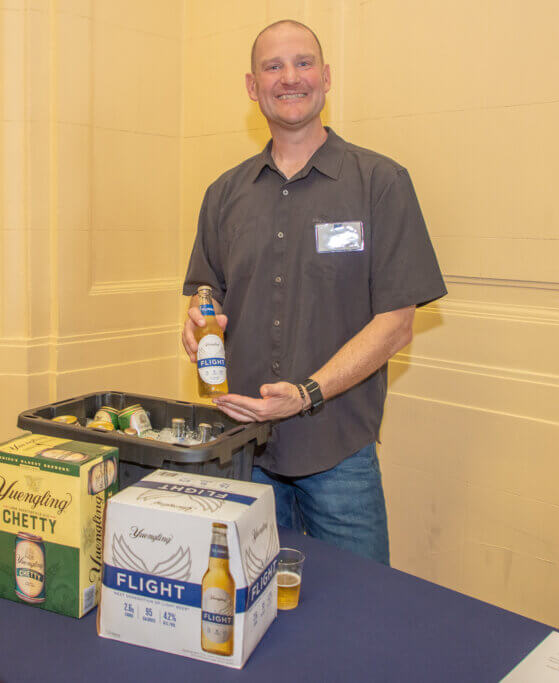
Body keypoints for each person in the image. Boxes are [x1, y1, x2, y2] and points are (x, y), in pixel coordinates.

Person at [182, 19, 446, 564]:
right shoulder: (223, 194)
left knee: (361, 622)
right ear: (253, 87)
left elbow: (395, 323)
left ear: (325, 77)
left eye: (303, 63)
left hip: (338, 455)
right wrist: (200, 306)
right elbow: (210, 286)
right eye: (272, 67)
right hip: (243, 453)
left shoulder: (381, 183)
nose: (289, 77)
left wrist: (307, 393)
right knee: (254, 618)